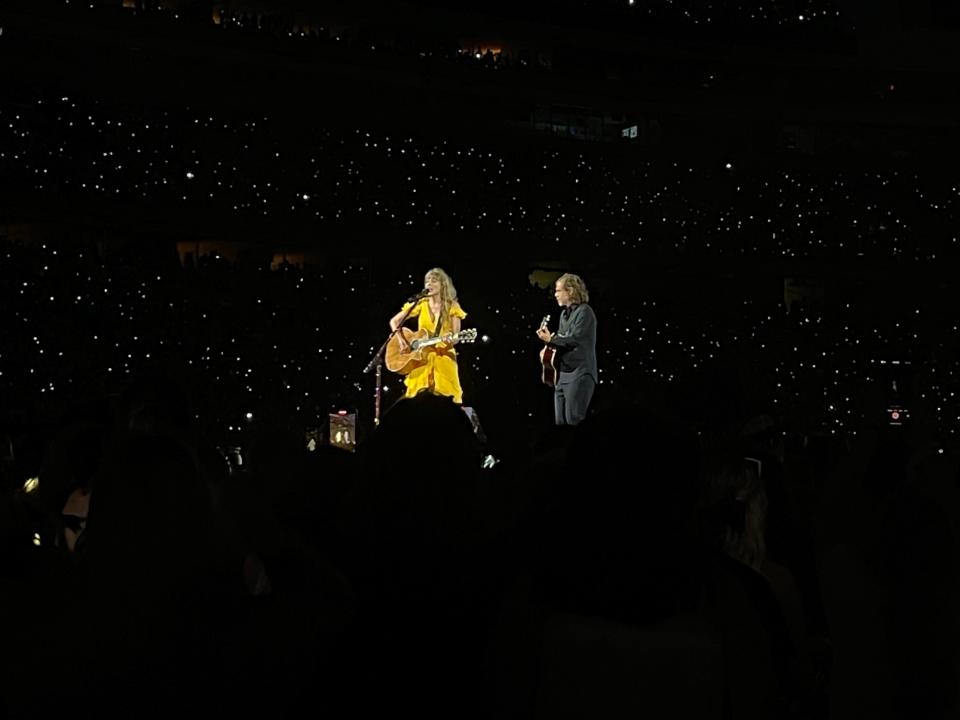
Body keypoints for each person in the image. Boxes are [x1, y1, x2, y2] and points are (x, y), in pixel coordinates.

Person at [389, 267, 468, 404]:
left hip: (443, 358)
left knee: (446, 402)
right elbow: (394, 321)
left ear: (443, 285)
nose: (429, 284)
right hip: (421, 358)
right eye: (427, 281)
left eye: (434, 281)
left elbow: (456, 337)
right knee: (417, 402)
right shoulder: (420, 303)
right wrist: (402, 341)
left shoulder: (452, 306)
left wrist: (450, 339)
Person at [536, 273, 597, 425]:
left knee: (574, 421)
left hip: (579, 372)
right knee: (560, 424)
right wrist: (548, 348)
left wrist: (551, 340)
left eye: (558, 290)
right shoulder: (564, 315)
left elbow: (575, 339)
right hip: (562, 375)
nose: (555, 294)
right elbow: (562, 341)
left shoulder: (585, 311)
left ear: (569, 291)